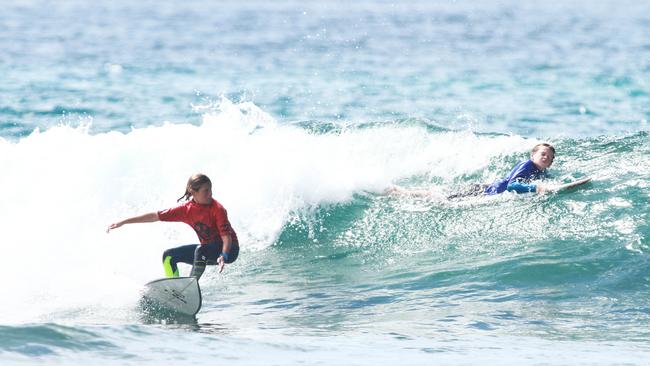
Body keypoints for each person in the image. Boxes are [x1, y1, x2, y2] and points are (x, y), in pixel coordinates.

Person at [107, 173, 239, 279]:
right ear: (193, 192)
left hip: (229, 250)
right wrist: (123, 222)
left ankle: (190, 286)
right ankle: (174, 289)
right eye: (206, 191)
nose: (210, 194)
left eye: (210, 190)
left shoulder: (217, 209)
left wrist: (224, 255)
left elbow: (226, 239)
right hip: (206, 251)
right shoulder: (186, 210)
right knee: (169, 256)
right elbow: (155, 216)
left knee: (201, 250)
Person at [388, 143, 556, 199]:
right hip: (486, 192)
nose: (546, 158)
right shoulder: (527, 165)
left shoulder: (541, 172)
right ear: (532, 155)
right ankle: (400, 192)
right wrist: (537, 189)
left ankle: (402, 191)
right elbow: (512, 186)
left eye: (549, 157)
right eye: (543, 154)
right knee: (440, 198)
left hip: (486, 188)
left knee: (442, 195)